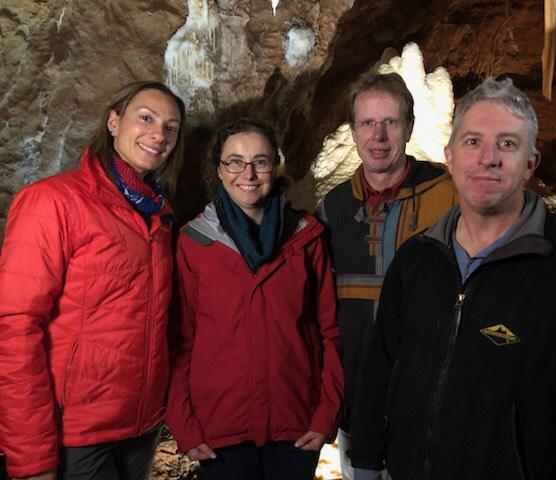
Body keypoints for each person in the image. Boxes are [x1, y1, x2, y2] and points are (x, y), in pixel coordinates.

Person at [349, 77, 556, 479]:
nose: (488, 158)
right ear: (449, 156)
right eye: (472, 142)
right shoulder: (417, 259)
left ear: (531, 162)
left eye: (507, 144)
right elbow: (379, 370)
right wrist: (364, 462)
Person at [0, 81, 185, 480]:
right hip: (76, 433)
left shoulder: (159, 213)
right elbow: (14, 328)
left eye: (171, 127)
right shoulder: (53, 201)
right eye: (147, 118)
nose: (158, 134)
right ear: (114, 122)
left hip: (141, 427)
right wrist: (31, 456)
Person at [166, 119, 343, 480]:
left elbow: (329, 333)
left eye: (260, 161)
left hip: (296, 429)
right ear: (219, 169)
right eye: (235, 161)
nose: (248, 173)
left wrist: (326, 416)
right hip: (221, 431)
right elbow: (180, 341)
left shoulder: (306, 238)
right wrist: (185, 425)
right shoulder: (195, 242)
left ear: (274, 167)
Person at [316, 71, 456, 479]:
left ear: (408, 127)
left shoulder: (449, 196)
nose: (378, 135)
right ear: (354, 131)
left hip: (432, 402)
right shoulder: (334, 208)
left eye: (389, 123)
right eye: (367, 123)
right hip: (357, 403)